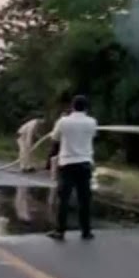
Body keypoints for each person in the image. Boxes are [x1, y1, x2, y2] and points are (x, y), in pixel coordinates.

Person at [47, 95, 98, 241]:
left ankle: (60, 231)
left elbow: (54, 138)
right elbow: (93, 135)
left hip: (67, 164)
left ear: (72, 107)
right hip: (85, 163)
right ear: (86, 108)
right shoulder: (92, 122)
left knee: (64, 199)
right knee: (84, 199)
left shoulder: (63, 121)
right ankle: (86, 231)